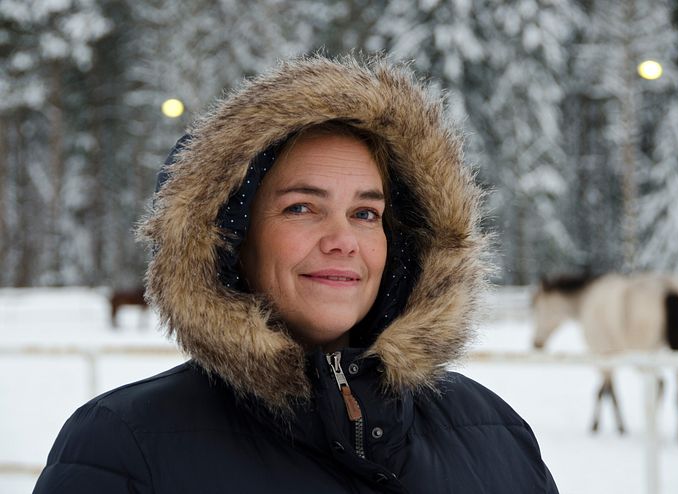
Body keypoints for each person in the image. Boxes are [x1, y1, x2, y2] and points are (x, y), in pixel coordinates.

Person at [34, 56, 558, 493]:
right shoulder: (125, 447)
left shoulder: (493, 430)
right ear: (230, 239)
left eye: (366, 213)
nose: (343, 240)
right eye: (302, 208)